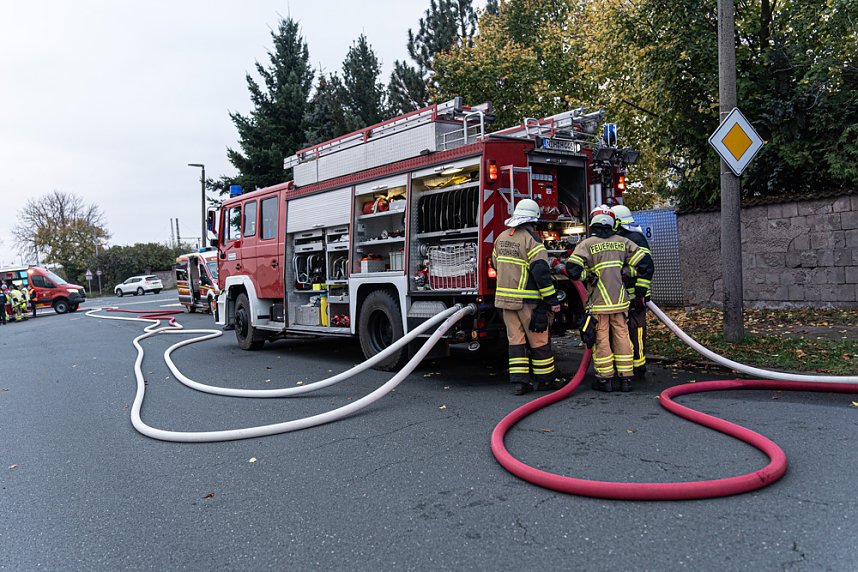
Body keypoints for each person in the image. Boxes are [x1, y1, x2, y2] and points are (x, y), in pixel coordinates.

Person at [565, 206, 653, 392]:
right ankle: (626, 379)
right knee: (622, 337)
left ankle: (605, 380)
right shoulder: (624, 242)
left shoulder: (586, 245)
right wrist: (628, 273)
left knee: (602, 339)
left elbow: (572, 271)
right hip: (620, 302)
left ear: (593, 223)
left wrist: (588, 276)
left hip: (598, 304)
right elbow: (646, 265)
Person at [492, 198, 562, 395]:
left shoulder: (502, 237)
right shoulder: (532, 240)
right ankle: (546, 380)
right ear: (534, 220)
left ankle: (520, 383)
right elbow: (541, 272)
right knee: (539, 341)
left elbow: (495, 263)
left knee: (516, 341)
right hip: (528, 301)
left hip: (505, 301)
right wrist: (552, 301)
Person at [611, 204, 653, 379]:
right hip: (624, 295)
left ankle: (639, 365)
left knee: (636, 330)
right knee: (623, 331)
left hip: (636, 294)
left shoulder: (635, 238)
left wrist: (639, 291)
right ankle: (627, 364)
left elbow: (646, 267)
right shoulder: (622, 237)